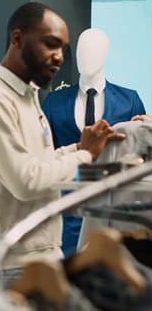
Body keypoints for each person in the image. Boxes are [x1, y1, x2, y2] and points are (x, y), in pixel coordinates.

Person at [0, 2, 125, 287]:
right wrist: (84, 155)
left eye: (63, 49)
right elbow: (26, 181)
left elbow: (41, 163)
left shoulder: (28, 98)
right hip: (11, 266)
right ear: (17, 39)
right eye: (51, 45)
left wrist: (78, 149)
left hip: (40, 259)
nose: (59, 57)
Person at [42, 28, 146, 256]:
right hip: (67, 207)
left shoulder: (130, 101)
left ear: (106, 53)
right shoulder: (54, 102)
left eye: (95, 50)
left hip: (113, 206)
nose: (87, 57)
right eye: (82, 50)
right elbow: (44, 154)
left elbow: (141, 158)